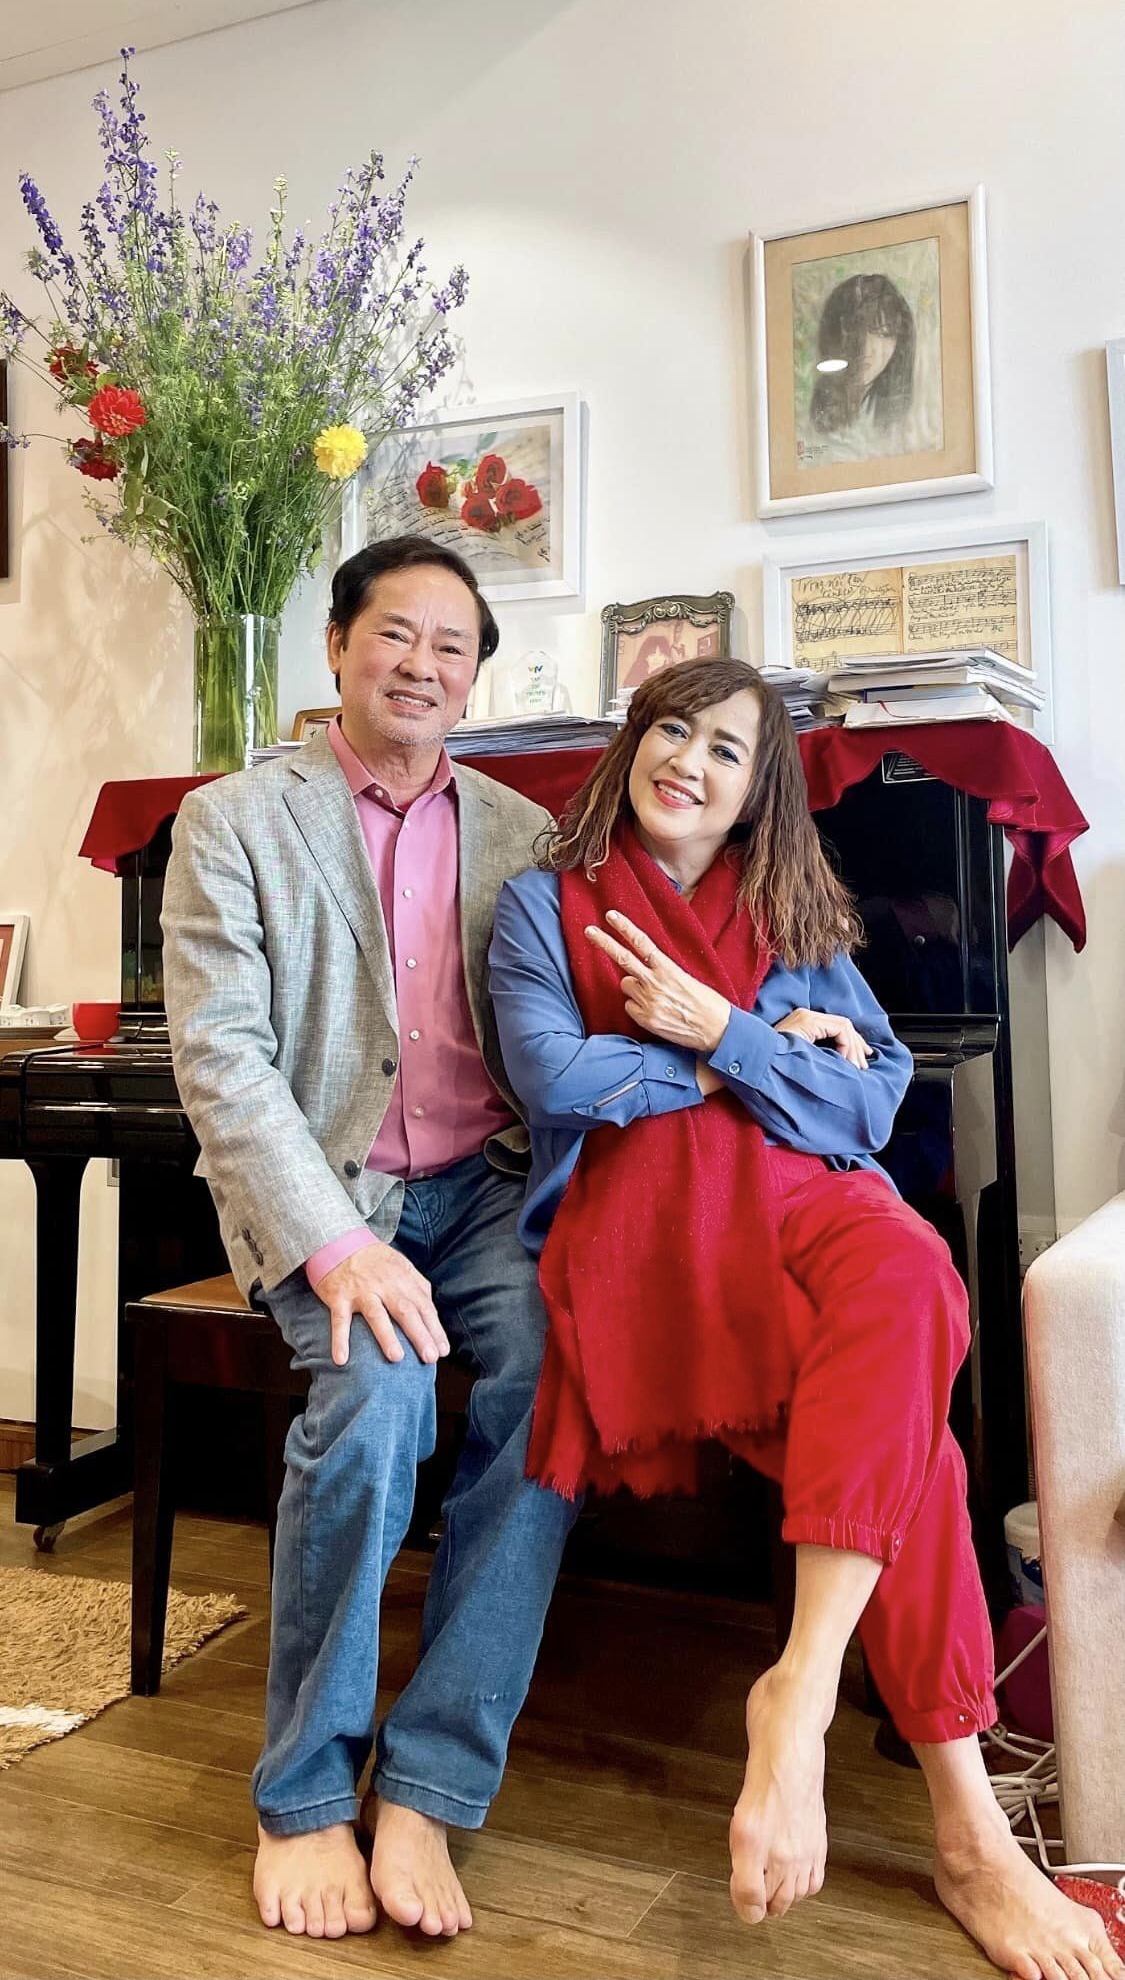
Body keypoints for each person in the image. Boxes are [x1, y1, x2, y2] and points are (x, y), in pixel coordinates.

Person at [488, 658, 1123, 1980]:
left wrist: (724, 1029)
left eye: (727, 749)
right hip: (650, 1231)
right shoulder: (545, 904)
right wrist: (754, 1056)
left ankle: (802, 1681)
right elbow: (555, 1077)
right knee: (920, 1456)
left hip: (811, 1205)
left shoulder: (791, 909)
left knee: (915, 1275)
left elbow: (872, 1102)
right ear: (632, 745)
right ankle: (969, 1835)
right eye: (673, 730)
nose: (691, 761)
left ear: (756, 792)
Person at [161, 535, 577, 1943]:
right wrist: (335, 1244)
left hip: (486, 1190)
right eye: (395, 633)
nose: (421, 664)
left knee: (556, 1386)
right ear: (337, 646)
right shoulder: (232, 820)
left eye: (451, 646)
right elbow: (221, 1062)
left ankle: (430, 1782)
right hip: (334, 1195)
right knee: (379, 1392)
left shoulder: (525, 831)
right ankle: (300, 1793)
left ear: (475, 679)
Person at [810, 271, 915, 438]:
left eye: (884, 335)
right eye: (857, 330)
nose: (869, 349)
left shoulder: (898, 420)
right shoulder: (819, 409)